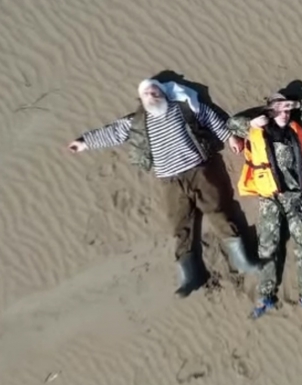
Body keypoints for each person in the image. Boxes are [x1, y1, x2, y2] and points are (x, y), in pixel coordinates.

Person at [67, 78, 261, 296]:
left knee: (220, 211)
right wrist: (84, 142)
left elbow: (209, 117)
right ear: (141, 101)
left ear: (164, 93)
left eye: (155, 92)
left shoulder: (182, 107)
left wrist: (230, 137)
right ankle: (190, 275)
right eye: (146, 94)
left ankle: (242, 260)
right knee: (181, 224)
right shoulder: (138, 122)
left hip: (199, 170)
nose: (152, 96)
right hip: (170, 181)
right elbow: (113, 133)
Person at [230, 92, 302, 319]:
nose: (285, 113)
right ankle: (266, 295)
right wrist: (254, 120)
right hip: (269, 197)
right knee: (268, 246)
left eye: (287, 109)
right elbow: (232, 123)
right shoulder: (255, 128)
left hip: (296, 197)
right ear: (270, 111)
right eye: (280, 109)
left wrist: (296, 103)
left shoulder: (298, 125)